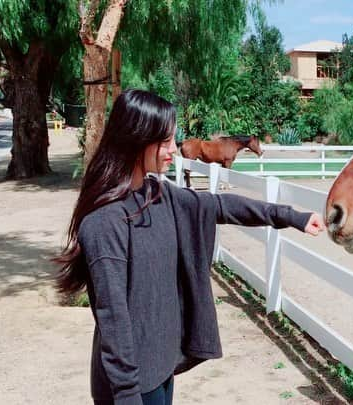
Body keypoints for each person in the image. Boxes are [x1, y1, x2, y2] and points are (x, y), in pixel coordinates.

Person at [53, 89, 325, 405]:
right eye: (165, 142)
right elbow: (113, 320)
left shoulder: (159, 195)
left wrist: (292, 217)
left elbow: (221, 206)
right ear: (137, 140)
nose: (174, 150)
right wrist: (127, 395)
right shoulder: (105, 222)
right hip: (130, 386)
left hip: (162, 367)